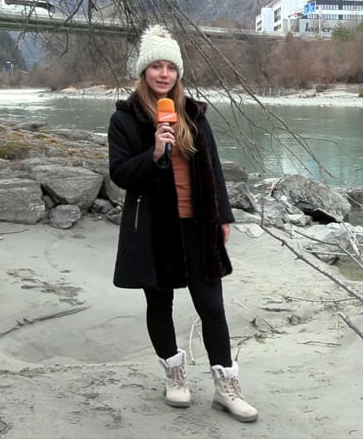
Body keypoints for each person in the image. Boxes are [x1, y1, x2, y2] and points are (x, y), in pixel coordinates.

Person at [107, 24, 258, 422]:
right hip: (153, 228)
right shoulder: (124, 119)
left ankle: (226, 387)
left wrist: (223, 215)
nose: (164, 74)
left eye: (170, 67)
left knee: (212, 307)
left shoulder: (193, 113)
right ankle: (175, 376)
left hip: (198, 223)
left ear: (178, 73)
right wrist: (155, 152)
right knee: (160, 303)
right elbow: (119, 174)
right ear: (143, 72)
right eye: (156, 66)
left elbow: (213, 168)